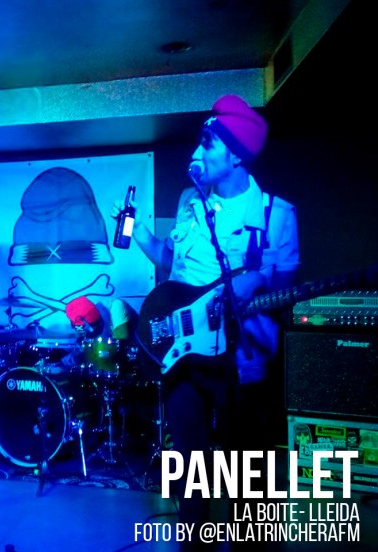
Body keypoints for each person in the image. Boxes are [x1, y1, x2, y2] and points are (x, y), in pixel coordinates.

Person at [114, 95, 300, 548]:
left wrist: (257, 280)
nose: (196, 153)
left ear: (235, 155)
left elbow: (286, 296)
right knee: (190, 467)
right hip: (183, 360)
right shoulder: (188, 203)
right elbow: (170, 263)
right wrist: (136, 233)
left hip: (240, 364)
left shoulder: (276, 215)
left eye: (207, 144)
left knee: (247, 475)